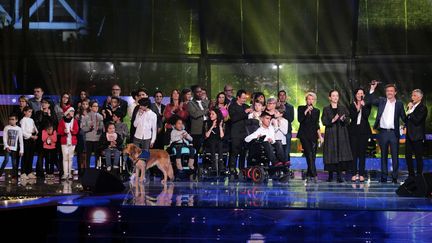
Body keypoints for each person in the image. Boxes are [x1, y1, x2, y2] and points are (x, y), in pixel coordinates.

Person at [367, 81, 406, 183]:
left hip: (394, 133)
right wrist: (372, 89)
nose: (389, 92)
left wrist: (403, 126)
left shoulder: (399, 104)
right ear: (385, 92)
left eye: (391, 91)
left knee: (395, 156)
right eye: (387, 91)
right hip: (383, 132)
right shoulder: (381, 101)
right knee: (383, 155)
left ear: (395, 92)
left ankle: (394, 177)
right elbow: (370, 101)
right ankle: (383, 177)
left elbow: (404, 118)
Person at [322, 90, 353, 183]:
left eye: (337, 96)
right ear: (329, 97)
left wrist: (344, 119)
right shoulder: (326, 109)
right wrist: (333, 120)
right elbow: (324, 121)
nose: (335, 97)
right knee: (331, 153)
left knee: (340, 153)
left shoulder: (342, 108)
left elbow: (348, 120)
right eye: (333, 96)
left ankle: (339, 176)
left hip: (341, 133)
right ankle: (330, 175)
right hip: (331, 134)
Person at [297, 92, 322, 183]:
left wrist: (320, 136)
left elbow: (316, 124)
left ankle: (309, 173)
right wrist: (306, 111)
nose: (310, 101)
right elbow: (300, 120)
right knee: (309, 153)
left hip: (313, 135)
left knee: (312, 156)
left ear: (314, 101)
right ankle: (314, 174)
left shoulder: (317, 111)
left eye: (312, 99)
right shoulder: (301, 108)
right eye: (309, 99)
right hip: (304, 135)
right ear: (306, 100)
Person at [348, 88, 372, 182]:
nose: (360, 95)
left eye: (361, 93)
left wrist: (363, 106)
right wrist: (357, 109)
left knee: (362, 154)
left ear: (364, 95)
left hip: (363, 132)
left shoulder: (367, 105)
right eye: (358, 93)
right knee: (353, 154)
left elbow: (366, 116)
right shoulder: (351, 105)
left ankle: (361, 174)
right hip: (353, 132)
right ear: (355, 95)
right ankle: (354, 173)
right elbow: (352, 117)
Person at [228, 90, 252, 177]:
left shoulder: (246, 106)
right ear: (238, 97)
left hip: (245, 132)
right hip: (235, 132)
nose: (244, 100)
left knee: (243, 152)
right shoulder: (232, 107)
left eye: (245, 98)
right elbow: (234, 118)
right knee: (234, 152)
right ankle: (232, 169)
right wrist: (245, 112)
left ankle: (242, 169)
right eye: (243, 98)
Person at [405, 89, 428, 178]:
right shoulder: (411, 107)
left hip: (417, 136)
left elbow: (417, 121)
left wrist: (410, 110)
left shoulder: (422, 108)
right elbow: (407, 120)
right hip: (409, 136)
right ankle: (411, 175)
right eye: (412, 95)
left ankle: (419, 176)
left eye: (414, 96)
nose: (412, 97)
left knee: (418, 157)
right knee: (408, 156)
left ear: (420, 97)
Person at [34, 98, 57, 177]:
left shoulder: (52, 113)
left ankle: (49, 172)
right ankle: (39, 172)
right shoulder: (38, 113)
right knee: (40, 155)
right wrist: (41, 113)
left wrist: (49, 115)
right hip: (41, 137)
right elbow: (38, 122)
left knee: (48, 156)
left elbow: (54, 124)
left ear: (49, 104)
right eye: (42, 102)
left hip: (50, 138)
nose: (43, 104)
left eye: (45, 103)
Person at [188, 85, 209, 161]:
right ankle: (195, 168)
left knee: (206, 149)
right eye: (198, 92)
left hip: (207, 128)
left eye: (201, 92)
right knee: (196, 150)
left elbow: (211, 111)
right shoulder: (190, 103)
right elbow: (195, 114)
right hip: (197, 130)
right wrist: (206, 111)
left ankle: (205, 166)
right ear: (194, 93)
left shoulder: (205, 102)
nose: (200, 93)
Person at [57, 107, 79, 180]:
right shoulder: (62, 121)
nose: (73, 113)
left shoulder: (74, 121)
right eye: (71, 111)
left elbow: (76, 131)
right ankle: (65, 173)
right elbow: (59, 131)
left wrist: (72, 131)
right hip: (64, 142)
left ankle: (70, 174)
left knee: (70, 158)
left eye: (73, 111)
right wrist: (64, 131)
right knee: (65, 158)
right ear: (68, 112)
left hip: (72, 142)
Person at [81, 101, 104, 169]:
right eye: (94, 106)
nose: (96, 108)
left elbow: (102, 127)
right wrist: (89, 128)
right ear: (90, 107)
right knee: (88, 155)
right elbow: (82, 128)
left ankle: (97, 168)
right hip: (89, 139)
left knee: (97, 155)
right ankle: (87, 169)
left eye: (97, 106)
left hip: (97, 139)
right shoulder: (86, 116)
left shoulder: (100, 116)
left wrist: (99, 127)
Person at [0, 114, 24, 180]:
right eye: (10, 119)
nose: (11, 121)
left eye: (13, 119)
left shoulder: (19, 129)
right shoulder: (6, 127)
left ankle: (14, 176)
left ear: (16, 120)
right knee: (6, 160)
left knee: (14, 163)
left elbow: (21, 140)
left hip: (14, 148)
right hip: (7, 148)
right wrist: (6, 146)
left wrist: (21, 150)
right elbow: (4, 138)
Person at [20, 106, 38, 180]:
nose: (30, 113)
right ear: (24, 112)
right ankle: (23, 172)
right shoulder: (23, 120)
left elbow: (35, 129)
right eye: (29, 111)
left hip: (31, 140)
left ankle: (29, 172)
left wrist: (35, 133)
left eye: (31, 112)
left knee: (31, 156)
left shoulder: (31, 120)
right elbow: (22, 132)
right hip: (26, 140)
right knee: (25, 156)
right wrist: (31, 136)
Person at [278, 90, 295, 164]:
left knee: (287, 149)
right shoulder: (276, 106)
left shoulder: (290, 107)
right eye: (280, 95)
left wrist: (282, 111)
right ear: (278, 97)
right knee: (278, 148)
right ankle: (278, 166)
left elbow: (291, 119)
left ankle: (286, 167)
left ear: (286, 96)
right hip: (277, 131)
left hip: (287, 130)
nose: (282, 96)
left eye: (283, 95)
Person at [75, 98, 90, 175]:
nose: (85, 105)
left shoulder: (91, 114)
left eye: (86, 104)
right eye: (83, 104)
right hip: (80, 136)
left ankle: (86, 170)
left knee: (86, 154)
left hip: (88, 136)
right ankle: (80, 170)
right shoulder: (78, 115)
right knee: (80, 154)